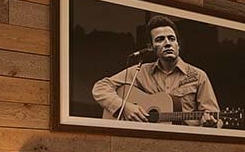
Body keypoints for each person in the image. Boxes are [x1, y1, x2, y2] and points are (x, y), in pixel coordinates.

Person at [92, 15, 220, 127]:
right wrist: (124, 107)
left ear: (178, 45)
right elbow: (100, 87)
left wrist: (211, 123)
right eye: (160, 39)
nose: (167, 43)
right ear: (151, 47)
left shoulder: (198, 76)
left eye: (171, 38)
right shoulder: (140, 71)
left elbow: (215, 117)